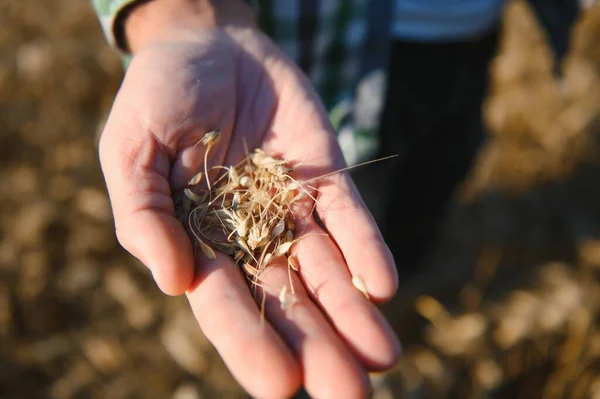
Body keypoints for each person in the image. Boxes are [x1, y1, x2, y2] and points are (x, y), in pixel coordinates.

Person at [91, 0, 581, 397]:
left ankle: (404, 267)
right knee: (349, 232)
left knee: (416, 207)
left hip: (464, 33)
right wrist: (180, 13)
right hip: (301, 52)